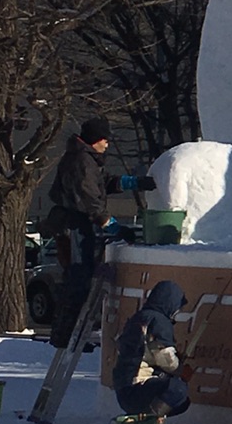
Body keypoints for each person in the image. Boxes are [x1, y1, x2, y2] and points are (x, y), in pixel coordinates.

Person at [44, 118, 155, 347]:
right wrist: (112, 225)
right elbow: (89, 199)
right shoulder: (81, 162)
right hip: (74, 224)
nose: (107, 144)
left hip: (76, 222)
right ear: (95, 139)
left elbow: (101, 183)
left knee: (80, 277)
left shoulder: (86, 160)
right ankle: (66, 335)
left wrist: (132, 182)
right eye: (105, 139)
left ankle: (69, 333)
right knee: (79, 278)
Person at [112, 279, 191, 421]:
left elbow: (145, 352)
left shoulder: (139, 317)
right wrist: (180, 369)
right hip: (138, 386)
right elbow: (164, 356)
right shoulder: (158, 321)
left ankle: (140, 418)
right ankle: (148, 422)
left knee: (179, 397)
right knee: (177, 389)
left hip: (124, 389)